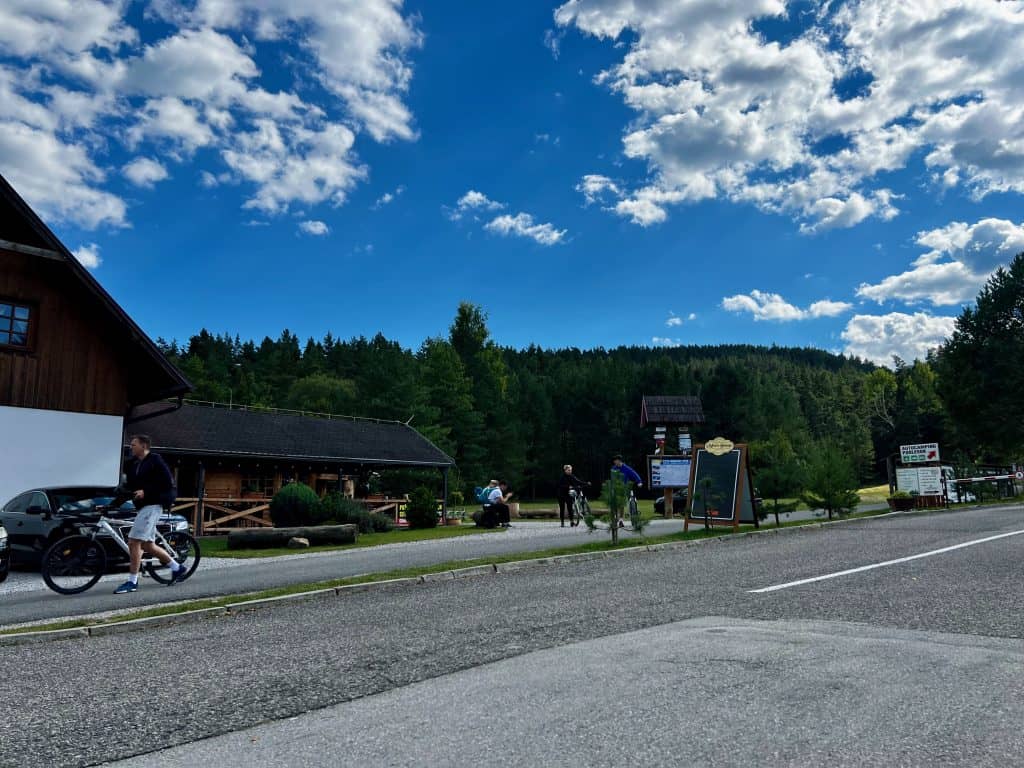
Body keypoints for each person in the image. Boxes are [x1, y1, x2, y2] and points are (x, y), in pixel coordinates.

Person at [114, 435, 187, 594]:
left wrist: (146, 491)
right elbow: (129, 489)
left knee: (134, 542)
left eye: (133, 445)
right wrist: (109, 506)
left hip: (154, 504)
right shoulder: (134, 465)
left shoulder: (155, 460)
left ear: (144, 446)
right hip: (144, 506)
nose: (131, 447)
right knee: (147, 545)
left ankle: (132, 582)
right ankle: (177, 568)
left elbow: (167, 483)